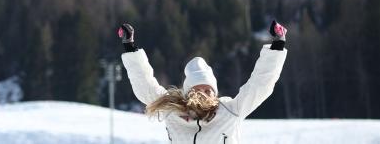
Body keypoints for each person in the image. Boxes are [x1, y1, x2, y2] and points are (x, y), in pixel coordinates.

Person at [118, 20, 287, 143]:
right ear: (188, 93)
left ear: (215, 92)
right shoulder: (174, 112)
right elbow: (145, 86)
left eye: (208, 91)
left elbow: (259, 85)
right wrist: (130, 46)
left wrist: (277, 46)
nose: (203, 95)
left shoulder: (230, 111)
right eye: (197, 91)